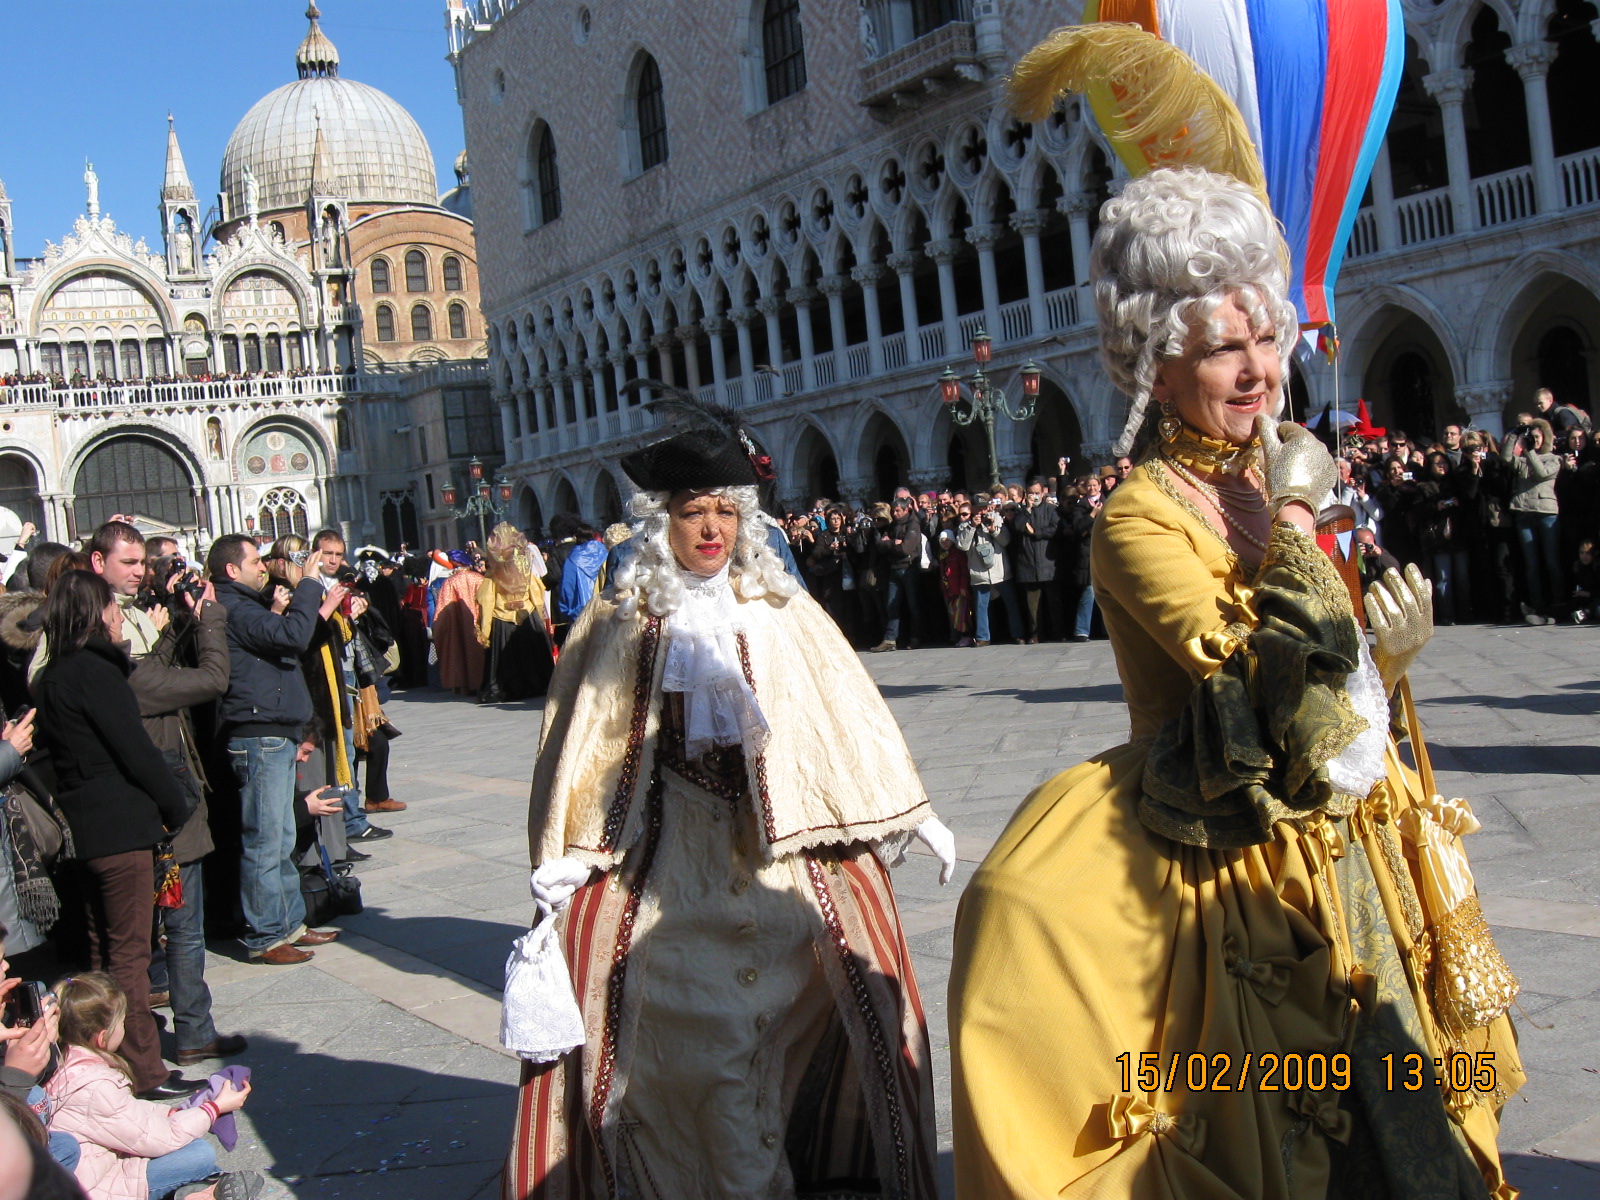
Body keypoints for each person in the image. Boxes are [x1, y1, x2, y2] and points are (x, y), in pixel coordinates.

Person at [949, 167, 1522, 1199]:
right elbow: (1262, 705)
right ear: (1154, 367)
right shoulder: (1139, 518)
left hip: (1354, 850)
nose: (1258, 370)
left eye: (1265, 338)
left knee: (1415, 1132)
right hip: (1231, 864)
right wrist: (1301, 524)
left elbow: (1332, 690)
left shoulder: (1271, 477)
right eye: (1223, 347)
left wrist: (1384, 663)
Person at [504, 414, 954, 1200]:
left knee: (851, 997)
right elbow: (584, 748)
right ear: (661, 521)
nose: (711, 528)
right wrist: (566, 858)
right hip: (670, 859)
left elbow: (841, 718)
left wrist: (910, 813)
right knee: (689, 1041)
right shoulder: (617, 623)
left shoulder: (783, 611)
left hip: (781, 855)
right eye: (692, 512)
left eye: (724, 512)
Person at [32, 571, 198, 1100]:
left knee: (104, 953)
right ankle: (146, 1070)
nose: (116, 616)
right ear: (93, 614)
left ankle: (105, 1061)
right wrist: (175, 804)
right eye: (110, 608)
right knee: (130, 954)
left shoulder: (53, 677)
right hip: (121, 825)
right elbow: (135, 750)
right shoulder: (95, 673)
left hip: (85, 828)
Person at [125, 556, 248, 1068]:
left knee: (153, 931)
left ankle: (172, 1032)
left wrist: (179, 619)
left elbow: (159, 665)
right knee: (180, 927)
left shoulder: (116, 671)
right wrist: (211, 618)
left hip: (151, 811)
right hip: (167, 813)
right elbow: (213, 678)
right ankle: (191, 1030)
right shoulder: (132, 680)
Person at [209, 535, 345, 965]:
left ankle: (289, 924)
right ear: (232, 569)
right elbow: (290, 634)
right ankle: (267, 934)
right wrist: (309, 584)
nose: (262, 567)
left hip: (275, 731)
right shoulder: (236, 607)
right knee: (266, 840)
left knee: (282, 836)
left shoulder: (247, 603)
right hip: (258, 734)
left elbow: (294, 639)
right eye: (254, 561)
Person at [44, 972, 260, 1200]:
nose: (123, 1029)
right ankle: (200, 1192)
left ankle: (203, 1187)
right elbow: (159, 1139)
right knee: (200, 1154)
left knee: (191, 1148)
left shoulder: (65, 1063)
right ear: (102, 1037)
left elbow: (131, 1113)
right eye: (122, 1023)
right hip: (100, 1187)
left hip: (98, 1169)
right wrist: (213, 1109)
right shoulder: (94, 1085)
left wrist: (176, 1111)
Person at [476, 524, 555, 703]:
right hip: (527, 616)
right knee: (531, 655)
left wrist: (485, 630)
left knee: (506, 658)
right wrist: (542, 617)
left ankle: (505, 688)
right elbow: (537, 594)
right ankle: (537, 683)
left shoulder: (492, 577)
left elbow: (486, 602)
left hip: (502, 619)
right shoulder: (525, 572)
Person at [1500, 416, 1562, 621]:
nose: (1533, 440)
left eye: (1537, 437)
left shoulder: (1554, 459)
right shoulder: (1524, 458)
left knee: (1552, 562)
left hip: (1546, 514)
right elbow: (1506, 458)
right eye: (1531, 437)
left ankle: (1559, 604)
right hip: (1524, 514)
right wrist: (1515, 436)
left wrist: (1531, 451)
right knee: (1531, 565)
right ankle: (1537, 606)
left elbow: (1542, 473)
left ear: (1545, 438)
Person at [1010, 480, 1062, 642]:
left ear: (1043, 493)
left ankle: (1058, 632)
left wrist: (1036, 532)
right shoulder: (1021, 512)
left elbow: (1055, 529)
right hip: (1028, 564)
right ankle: (1035, 633)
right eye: (1031, 493)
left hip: (1048, 563)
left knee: (1054, 602)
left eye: (1037, 493)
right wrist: (1027, 510)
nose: (1034, 496)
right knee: (1032, 605)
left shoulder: (1051, 510)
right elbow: (1017, 527)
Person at [872, 495, 924, 652]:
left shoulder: (913, 524)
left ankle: (916, 637)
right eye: (893, 511)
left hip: (909, 568)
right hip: (894, 568)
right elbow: (880, 545)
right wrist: (893, 543)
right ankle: (890, 639)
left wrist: (891, 543)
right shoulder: (893, 525)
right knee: (891, 605)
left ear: (906, 509)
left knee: (913, 604)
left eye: (898, 511)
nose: (895, 514)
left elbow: (906, 548)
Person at [432, 552, 486, 694]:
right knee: (478, 652)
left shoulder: (450, 582)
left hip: (458, 625)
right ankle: (481, 682)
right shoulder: (479, 578)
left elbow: (443, 609)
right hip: (479, 622)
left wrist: (440, 628)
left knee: (459, 651)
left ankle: (464, 684)